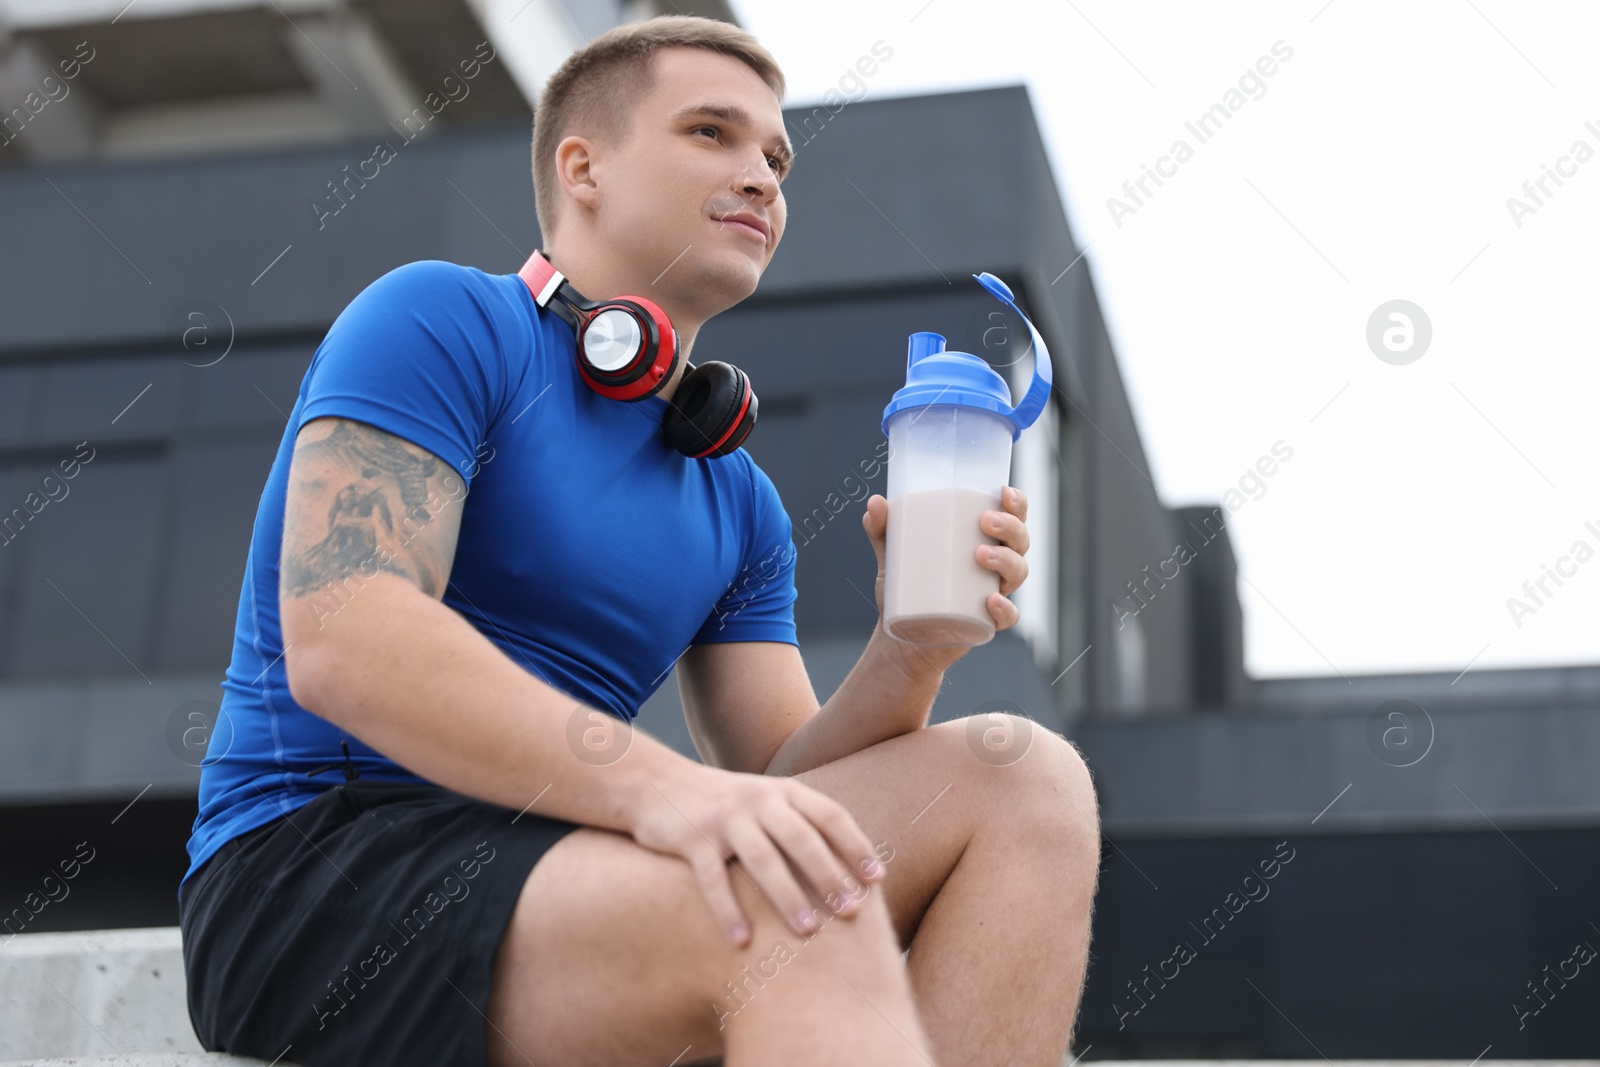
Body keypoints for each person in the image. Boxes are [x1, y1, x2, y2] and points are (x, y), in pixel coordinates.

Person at [177, 14, 1100, 1067]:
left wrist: (911, 648)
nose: (760, 175)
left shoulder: (734, 494)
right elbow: (348, 635)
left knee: (1026, 781)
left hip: (564, 860)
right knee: (796, 900)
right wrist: (664, 791)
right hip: (319, 870)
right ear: (584, 168)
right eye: (711, 133)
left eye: (775, 156)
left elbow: (779, 777)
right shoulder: (439, 320)